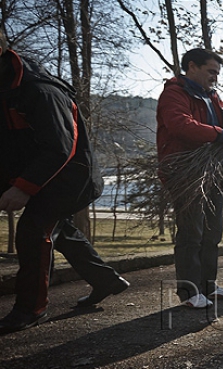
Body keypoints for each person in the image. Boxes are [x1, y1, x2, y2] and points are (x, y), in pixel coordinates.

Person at [0, 30, 129, 333]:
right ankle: (106, 280)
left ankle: (30, 309)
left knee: (34, 231)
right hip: (34, 172)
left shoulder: (39, 90)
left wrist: (23, 187)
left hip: (70, 175)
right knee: (61, 230)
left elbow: (60, 147)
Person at [157, 48, 223, 308]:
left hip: (212, 173)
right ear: (192, 66)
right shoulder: (174, 93)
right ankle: (190, 293)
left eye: (217, 73)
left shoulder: (211, 97)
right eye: (211, 71)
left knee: (213, 231)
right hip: (185, 173)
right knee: (192, 232)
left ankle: (208, 286)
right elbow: (179, 123)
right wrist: (221, 134)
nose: (215, 77)